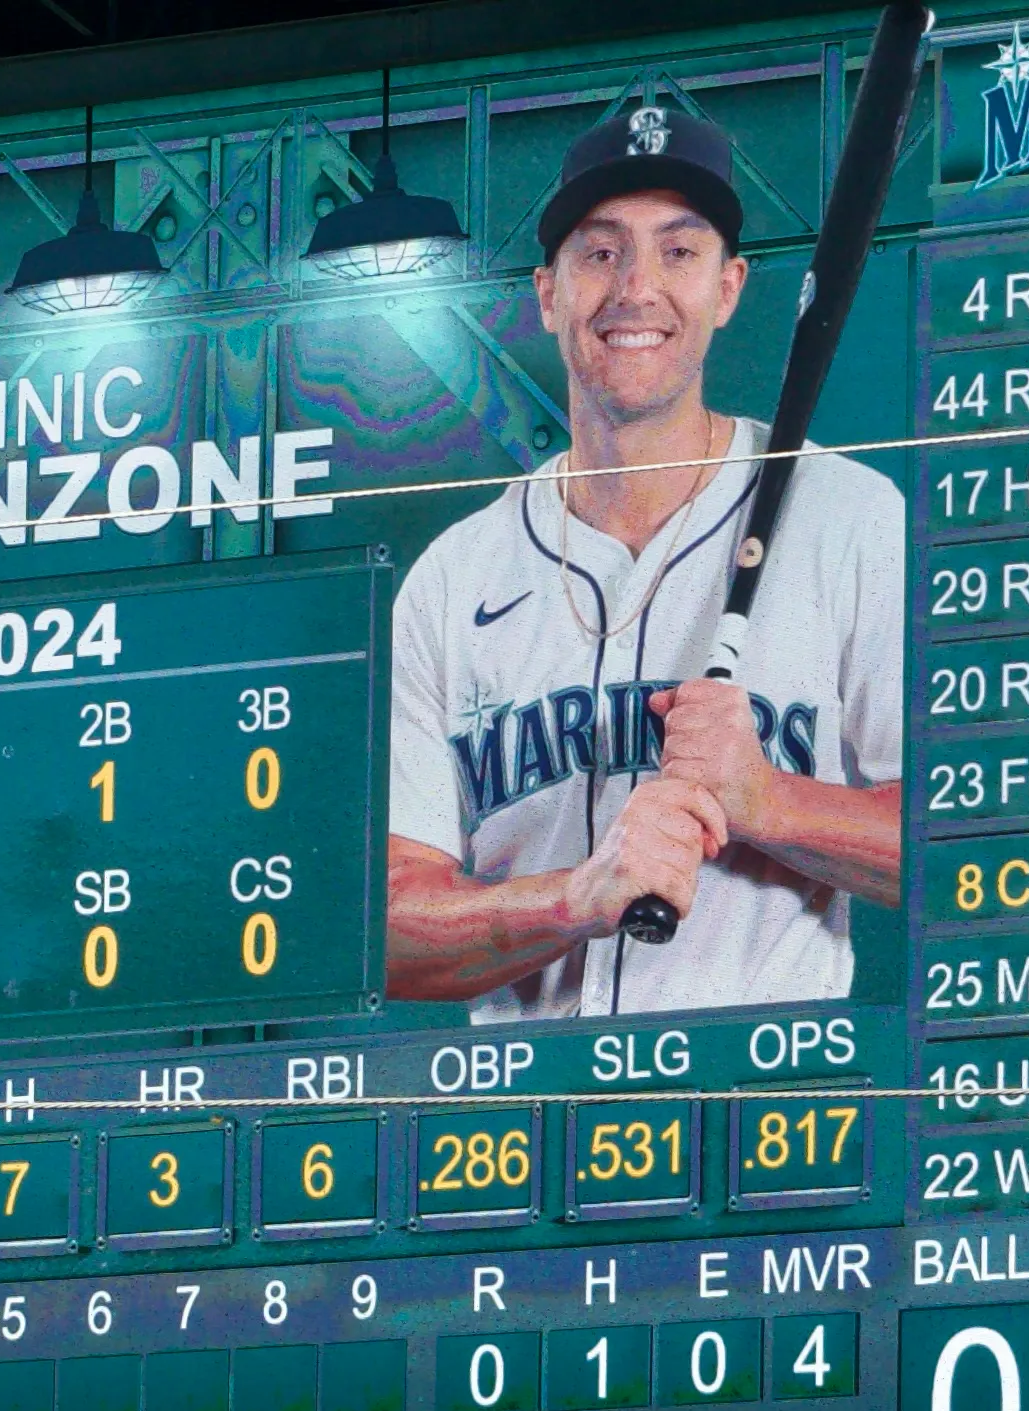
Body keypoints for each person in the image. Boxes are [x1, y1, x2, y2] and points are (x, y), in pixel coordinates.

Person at [385, 101, 904, 1020]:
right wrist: (575, 900)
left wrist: (767, 801)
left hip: (767, 1117)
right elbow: (388, 930)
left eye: (678, 250)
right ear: (548, 294)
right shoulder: (452, 579)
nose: (637, 288)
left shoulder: (847, 516)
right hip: (523, 1131)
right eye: (600, 251)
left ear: (729, 287)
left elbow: (988, 849)